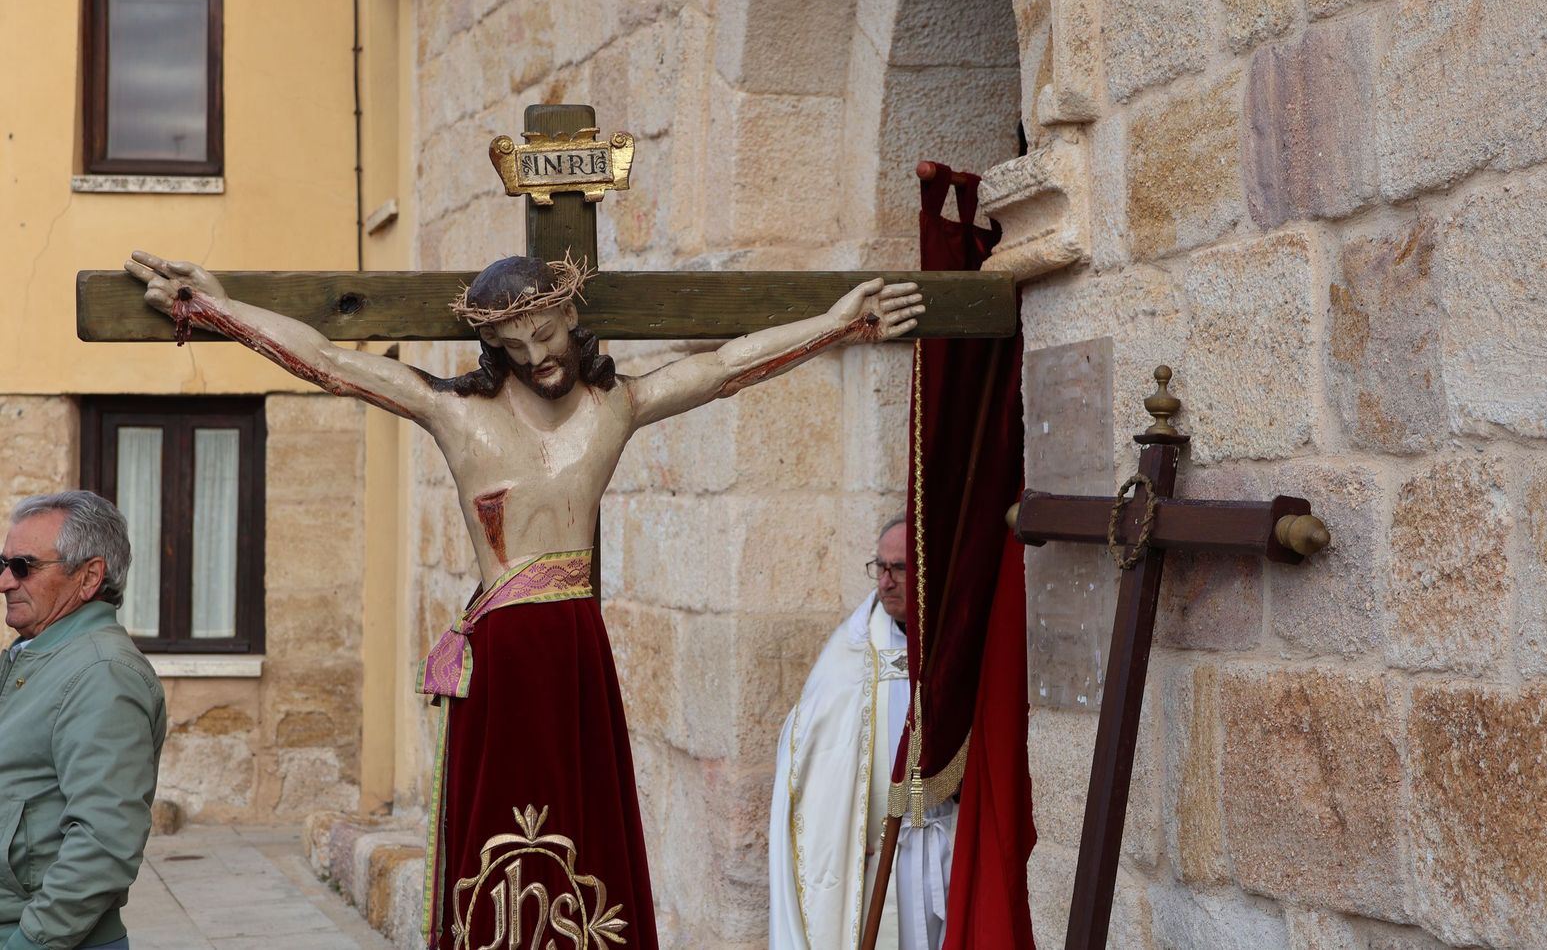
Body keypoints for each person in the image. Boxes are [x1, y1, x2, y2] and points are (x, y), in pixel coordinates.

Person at [125, 250, 924, 950]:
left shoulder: (616, 408)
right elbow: (330, 361)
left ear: (571, 315)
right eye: (514, 345)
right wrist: (218, 308)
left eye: (544, 334)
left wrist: (837, 324)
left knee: (585, 823)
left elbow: (724, 368)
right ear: (492, 347)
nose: (537, 356)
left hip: (576, 649)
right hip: (504, 657)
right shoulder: (456, 413)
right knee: (502, 830)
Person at [769, 517, 958, 950]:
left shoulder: (953, 642)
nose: (886, 581)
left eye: (899, 569)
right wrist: (843, 835)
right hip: (878, 857)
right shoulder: (852, 652)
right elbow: (809, 755)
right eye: (880, 567)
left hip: (944, 844)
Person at [0, 491, 167, 950]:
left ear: (89, 576)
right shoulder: (34, 658)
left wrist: (29, 944)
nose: (5, 582)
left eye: (23, 567)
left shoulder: (101, 672)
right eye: (4, 563)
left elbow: (105, 841)